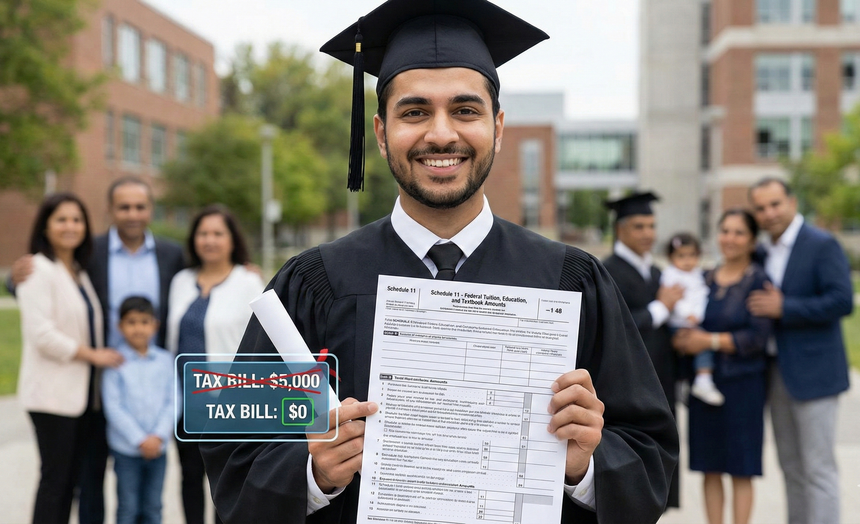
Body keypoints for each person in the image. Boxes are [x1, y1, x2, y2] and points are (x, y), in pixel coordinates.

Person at [200, 1, 679, 523]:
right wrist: (313, 476)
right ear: (381, 134)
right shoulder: (313, 285)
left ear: (497, 127)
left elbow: (650, 455)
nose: (442, 134)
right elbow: (234, 455)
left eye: (465, 110)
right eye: (415, 112)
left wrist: (585, 466)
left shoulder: (571, 281)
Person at [11, 176, 186, 523]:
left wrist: (245, 269)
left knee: (141, 491)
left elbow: (199, 278)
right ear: (110, 211)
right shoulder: (92, 251)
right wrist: (11, 276)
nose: (132, 214)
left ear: (150, 209)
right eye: (124, 207)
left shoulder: (171, 254)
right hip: (96, 381)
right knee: (83, 478)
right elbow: (37, 285)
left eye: (140, 206)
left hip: (149, 381)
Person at [747, 177, 853, 524]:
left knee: (818, 469)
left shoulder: (821, 244)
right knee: (791, 467)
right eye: (761, 208)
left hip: (816, 373)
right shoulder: (762, 251)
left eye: (775, 204)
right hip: (776, 372)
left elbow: (842, 301)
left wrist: (785, 308)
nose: (769, 213)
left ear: (792, 202)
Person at [16, 192, 125, 524]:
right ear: (45, 226)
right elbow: (42, 334)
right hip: (51, 397)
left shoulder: (77, 270)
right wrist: (93, 355)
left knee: (68, 484)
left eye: (77, 219)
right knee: (55, 483)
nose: (70, 226)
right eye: (61, 219)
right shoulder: (36, 269)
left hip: (79, 397)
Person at [167, 205, 265, 524]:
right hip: (184, 400)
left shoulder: (248, 282)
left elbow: (263, 344)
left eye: (217, 233)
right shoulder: (180, 280)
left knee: (224, 481)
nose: (209, 240)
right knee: (189, 476)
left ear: (232, 239)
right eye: (203, 233)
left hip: (227, 401)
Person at [672, 210, 772, 524]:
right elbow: (685, 318)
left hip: (744, 385)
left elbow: (757, 337)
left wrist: (709, 342)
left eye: (739, 232)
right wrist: (682, 338)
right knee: (709, 467)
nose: (730, 238)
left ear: (753, 240)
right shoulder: (703, 278)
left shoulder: (759, 281)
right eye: (725, 231)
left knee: (741, 469)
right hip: (704, 388)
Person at [601, 191, 683, 509]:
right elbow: (617, 327)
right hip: (625, 387)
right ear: (620, 229)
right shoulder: (607, 272)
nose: (648, 233)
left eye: (651, 225)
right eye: (639, 226)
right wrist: (661, 308)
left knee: (661, 464)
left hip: (662, 381)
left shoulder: (659, 273)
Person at [102, 296, 174, 524]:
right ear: (120, 326)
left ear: (155, 325)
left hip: (159, 449)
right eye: (131, 322)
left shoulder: (165, 361)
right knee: (128, 507)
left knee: (153, 506)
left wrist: (158, 436)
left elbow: (173, 402)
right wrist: (140, 439)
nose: (138, 328)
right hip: (127, 450)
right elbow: (113, 407)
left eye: (144, 321)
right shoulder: (116, 363)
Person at [661, 233, 718, 405]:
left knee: (698, 348)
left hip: (693, 322)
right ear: (671, 257)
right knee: (696, 350)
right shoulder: (670, 274)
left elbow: (702, 296)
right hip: (677, 323)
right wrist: (687, 314)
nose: (687, 260)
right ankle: (702, 381)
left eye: (692, 255)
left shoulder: (697, 275)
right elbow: (673, 299)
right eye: (681, 256)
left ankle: (696, 383)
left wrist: (697, 315)